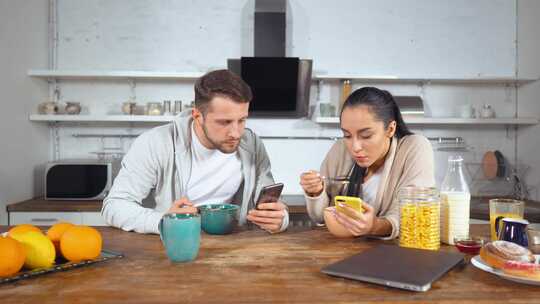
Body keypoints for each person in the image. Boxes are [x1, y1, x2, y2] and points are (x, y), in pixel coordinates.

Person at [102, 70, 289, 234]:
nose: (236, 133)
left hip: (233, 248)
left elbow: (272, 207)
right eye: (224, 122)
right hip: (173, 244)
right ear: (198, 116)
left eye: (242, 120)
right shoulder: (156, 143)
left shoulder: (252, 144)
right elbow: (114, 206)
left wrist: (280, 220)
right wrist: (163, 222)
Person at [300, 87, 435, 239]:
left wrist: (374, 226)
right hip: (342, 251)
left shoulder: (414, 147)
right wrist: (316, 192)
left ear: (390, 129)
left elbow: (413, 215)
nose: (355, 147)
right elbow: (321, 217)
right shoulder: (340, 149)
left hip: (397, 254)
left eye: (366, 135)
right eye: (347, 135)